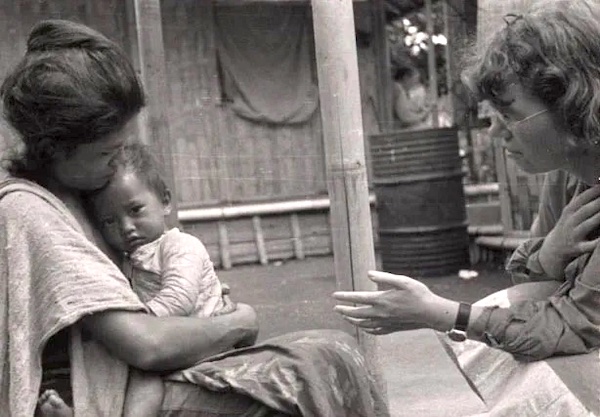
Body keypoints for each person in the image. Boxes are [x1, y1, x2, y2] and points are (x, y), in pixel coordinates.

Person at [0, 19, 388, 417]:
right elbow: (146, 344)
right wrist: (240, 322)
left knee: (330, 353)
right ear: (55, 149)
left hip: (142, 370)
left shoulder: (84, 194)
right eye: (106, 154)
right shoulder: (32, 212)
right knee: (310, 373)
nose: (117, 163)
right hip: (109, 394)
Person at [334, 0, 600, 367]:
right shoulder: (571, 176)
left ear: (574, 107)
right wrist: (549, 253)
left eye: (509, 114)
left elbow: (570, 326)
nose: (494, 132)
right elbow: (526, 274)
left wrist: (437, 313)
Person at [39, 143, 239, 417]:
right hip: (168, 336)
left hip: (198, 338)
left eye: (135, 210)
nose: (126, 227)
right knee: (111, 365)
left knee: (145, 377)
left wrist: (139, 326)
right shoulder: (129, 259)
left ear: (165, 201)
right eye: (109, 221)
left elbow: (179, 299)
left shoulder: (179, 246)